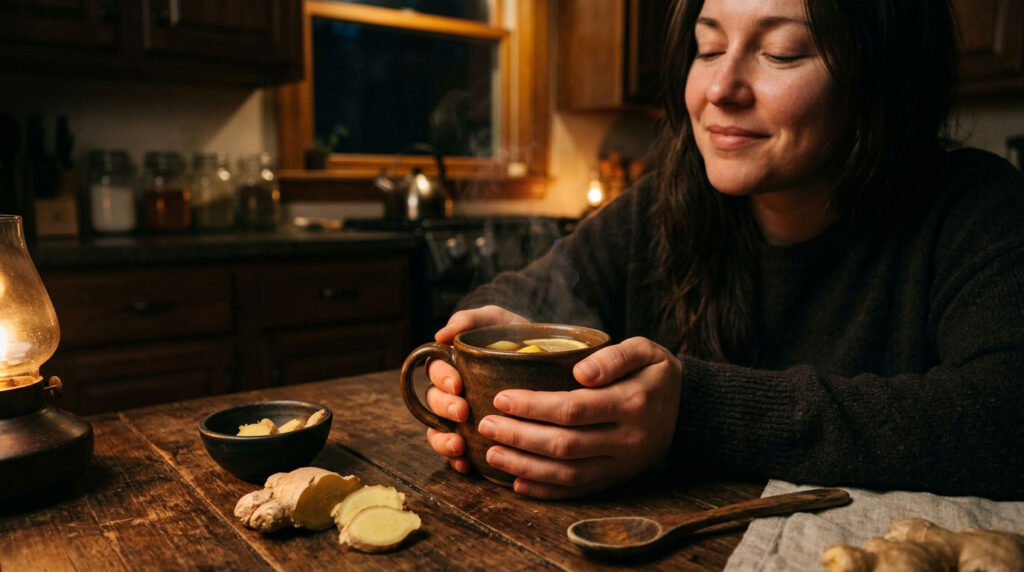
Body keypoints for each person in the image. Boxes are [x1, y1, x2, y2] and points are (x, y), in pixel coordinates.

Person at [422, 0, 1024, 500]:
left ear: (881, 77)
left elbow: (1006, 413)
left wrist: (691, 414)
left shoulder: (977, 209)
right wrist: (479, 346)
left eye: (781, 53)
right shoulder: (663, 204)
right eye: (708, 49)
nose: (720, 87)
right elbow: (521, 293)